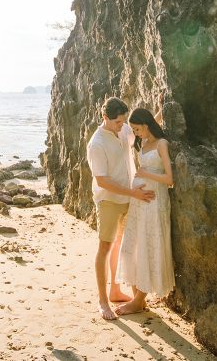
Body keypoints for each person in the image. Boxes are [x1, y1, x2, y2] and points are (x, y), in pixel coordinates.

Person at [87, 97, 156, 320]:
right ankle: (102, 301)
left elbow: (139, 131)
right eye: (117, 122)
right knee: (105, 247)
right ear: (104, 118)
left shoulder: (124, 129)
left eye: (123, 121)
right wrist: (133, 193)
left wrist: (160, 114)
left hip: (128, 198)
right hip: (108, 201)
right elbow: (103, 181)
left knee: (121, 245)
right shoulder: (96, 144)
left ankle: (115, 290)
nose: (123, 126)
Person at [115, 107, 175, 315]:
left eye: (137, 129)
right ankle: (137, 299)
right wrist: (159, 110)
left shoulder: (161, 144)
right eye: (133, 129)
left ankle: (138, 300)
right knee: (132, 246)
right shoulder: (144, 142)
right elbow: (146, 123)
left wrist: (146, 173)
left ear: (146, 126)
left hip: (154, 204)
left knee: (147, 248)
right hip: (139, 203)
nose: (135, 133)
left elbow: (169, 179)